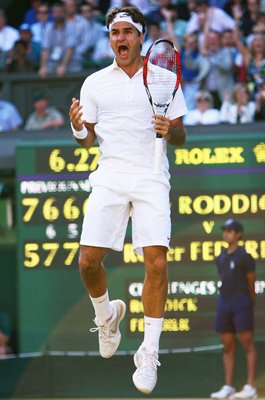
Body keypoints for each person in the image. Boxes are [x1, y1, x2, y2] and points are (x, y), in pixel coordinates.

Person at [69, 6, 187, 395]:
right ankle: (107, 316)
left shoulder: (165, 78)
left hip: (152, 176)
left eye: (127, 32)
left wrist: (169, 128)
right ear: (110, 39)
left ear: (141, 37)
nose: (120, 38)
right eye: (114, 32)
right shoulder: (94, 83)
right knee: (88, 261)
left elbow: (181, 136)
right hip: (111, 175)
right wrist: (76, 126)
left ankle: (149, 351)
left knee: (156, 261)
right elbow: (87, 140)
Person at [211, 219, 258, 400]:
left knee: (247, 345)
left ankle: (250, 387)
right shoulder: (221, 257)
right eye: (225, 230)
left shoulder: (244, 256)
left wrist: (248, 302)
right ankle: (229, 387)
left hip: (241, 303)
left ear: (238, 234)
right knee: (228, 346)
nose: (226, 234)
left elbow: (251, 283)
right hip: (224, 303)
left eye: (230, 231)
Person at [38, 2, 75, 78]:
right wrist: (43, 66)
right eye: (55, 12)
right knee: (45, 71)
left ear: (64, 13)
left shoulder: (71, 27)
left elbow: (70, 49)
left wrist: (63, 66)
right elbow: (45, 49)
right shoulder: (49, 27)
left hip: (69, 62)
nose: (57, 14)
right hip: (52, 62)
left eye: (60, 12)